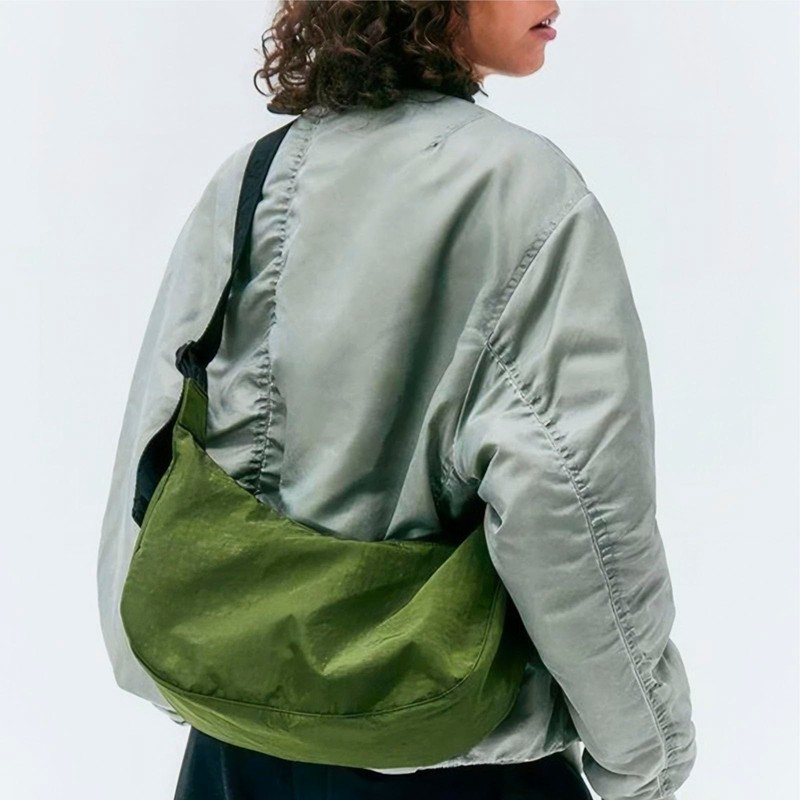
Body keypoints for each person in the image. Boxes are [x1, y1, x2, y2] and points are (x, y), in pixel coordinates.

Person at [96, 1, 697, 798]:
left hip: (237, 747)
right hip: (450, 743)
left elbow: (158, 439)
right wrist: (647, 749)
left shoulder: (255, 176)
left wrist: (165, 660)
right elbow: (571, 504)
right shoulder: (525, 191)